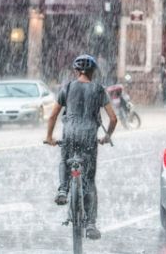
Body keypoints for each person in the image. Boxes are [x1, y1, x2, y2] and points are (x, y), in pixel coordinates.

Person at [45, 54, 117, 240]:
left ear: (76, 71)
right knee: (89, 181)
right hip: (89, 137)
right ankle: (91, 224)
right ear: (93, 72)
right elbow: (113, 118)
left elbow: (52, 116)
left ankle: (62, 189)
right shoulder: (99, 90)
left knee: (64, 159)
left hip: (70, 134)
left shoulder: (67, 87)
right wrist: (107, 136)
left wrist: (49, 137)